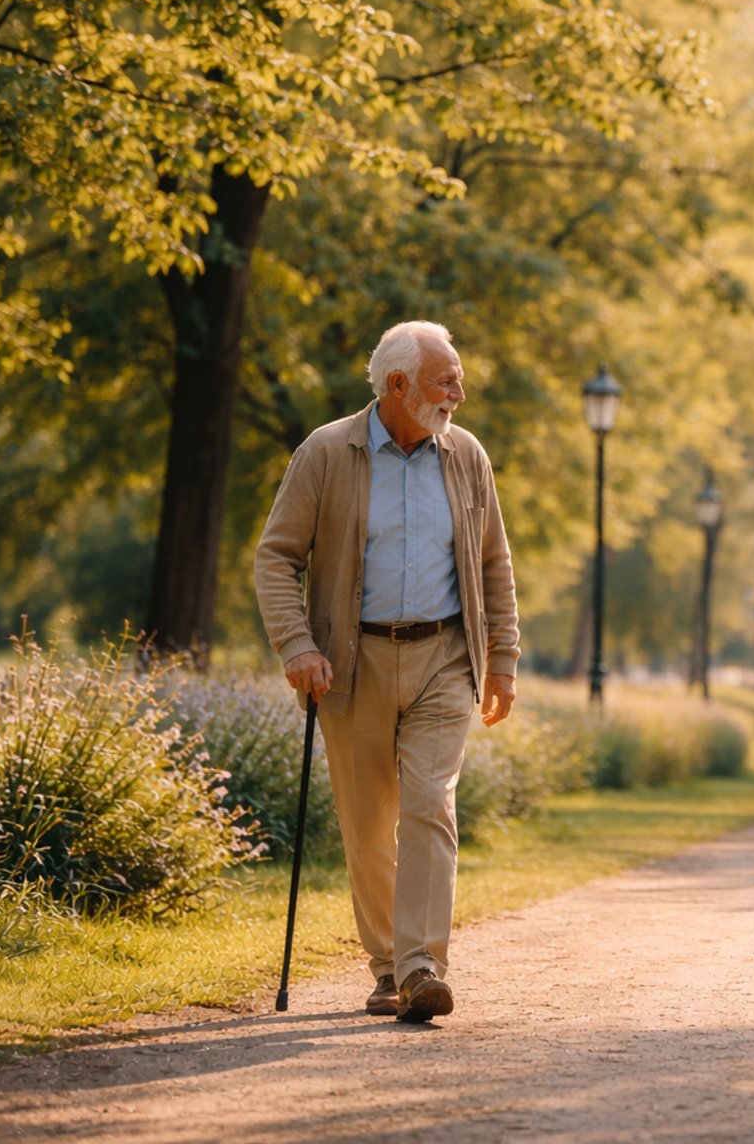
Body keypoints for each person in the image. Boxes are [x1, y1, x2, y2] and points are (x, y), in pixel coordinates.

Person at [254, 320, 520, 1023]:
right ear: (398, 384)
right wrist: (297, 645)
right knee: (370, 824)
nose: (458, 394)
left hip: (445, 657)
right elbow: (277, 557)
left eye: (458, 379)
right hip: (352, 662)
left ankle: (420, 966)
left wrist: (503, 660)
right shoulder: (325, 453)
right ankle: (387, 968)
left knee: (430, 805)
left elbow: (494, 562)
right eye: (445, 381)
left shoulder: (465, 455)